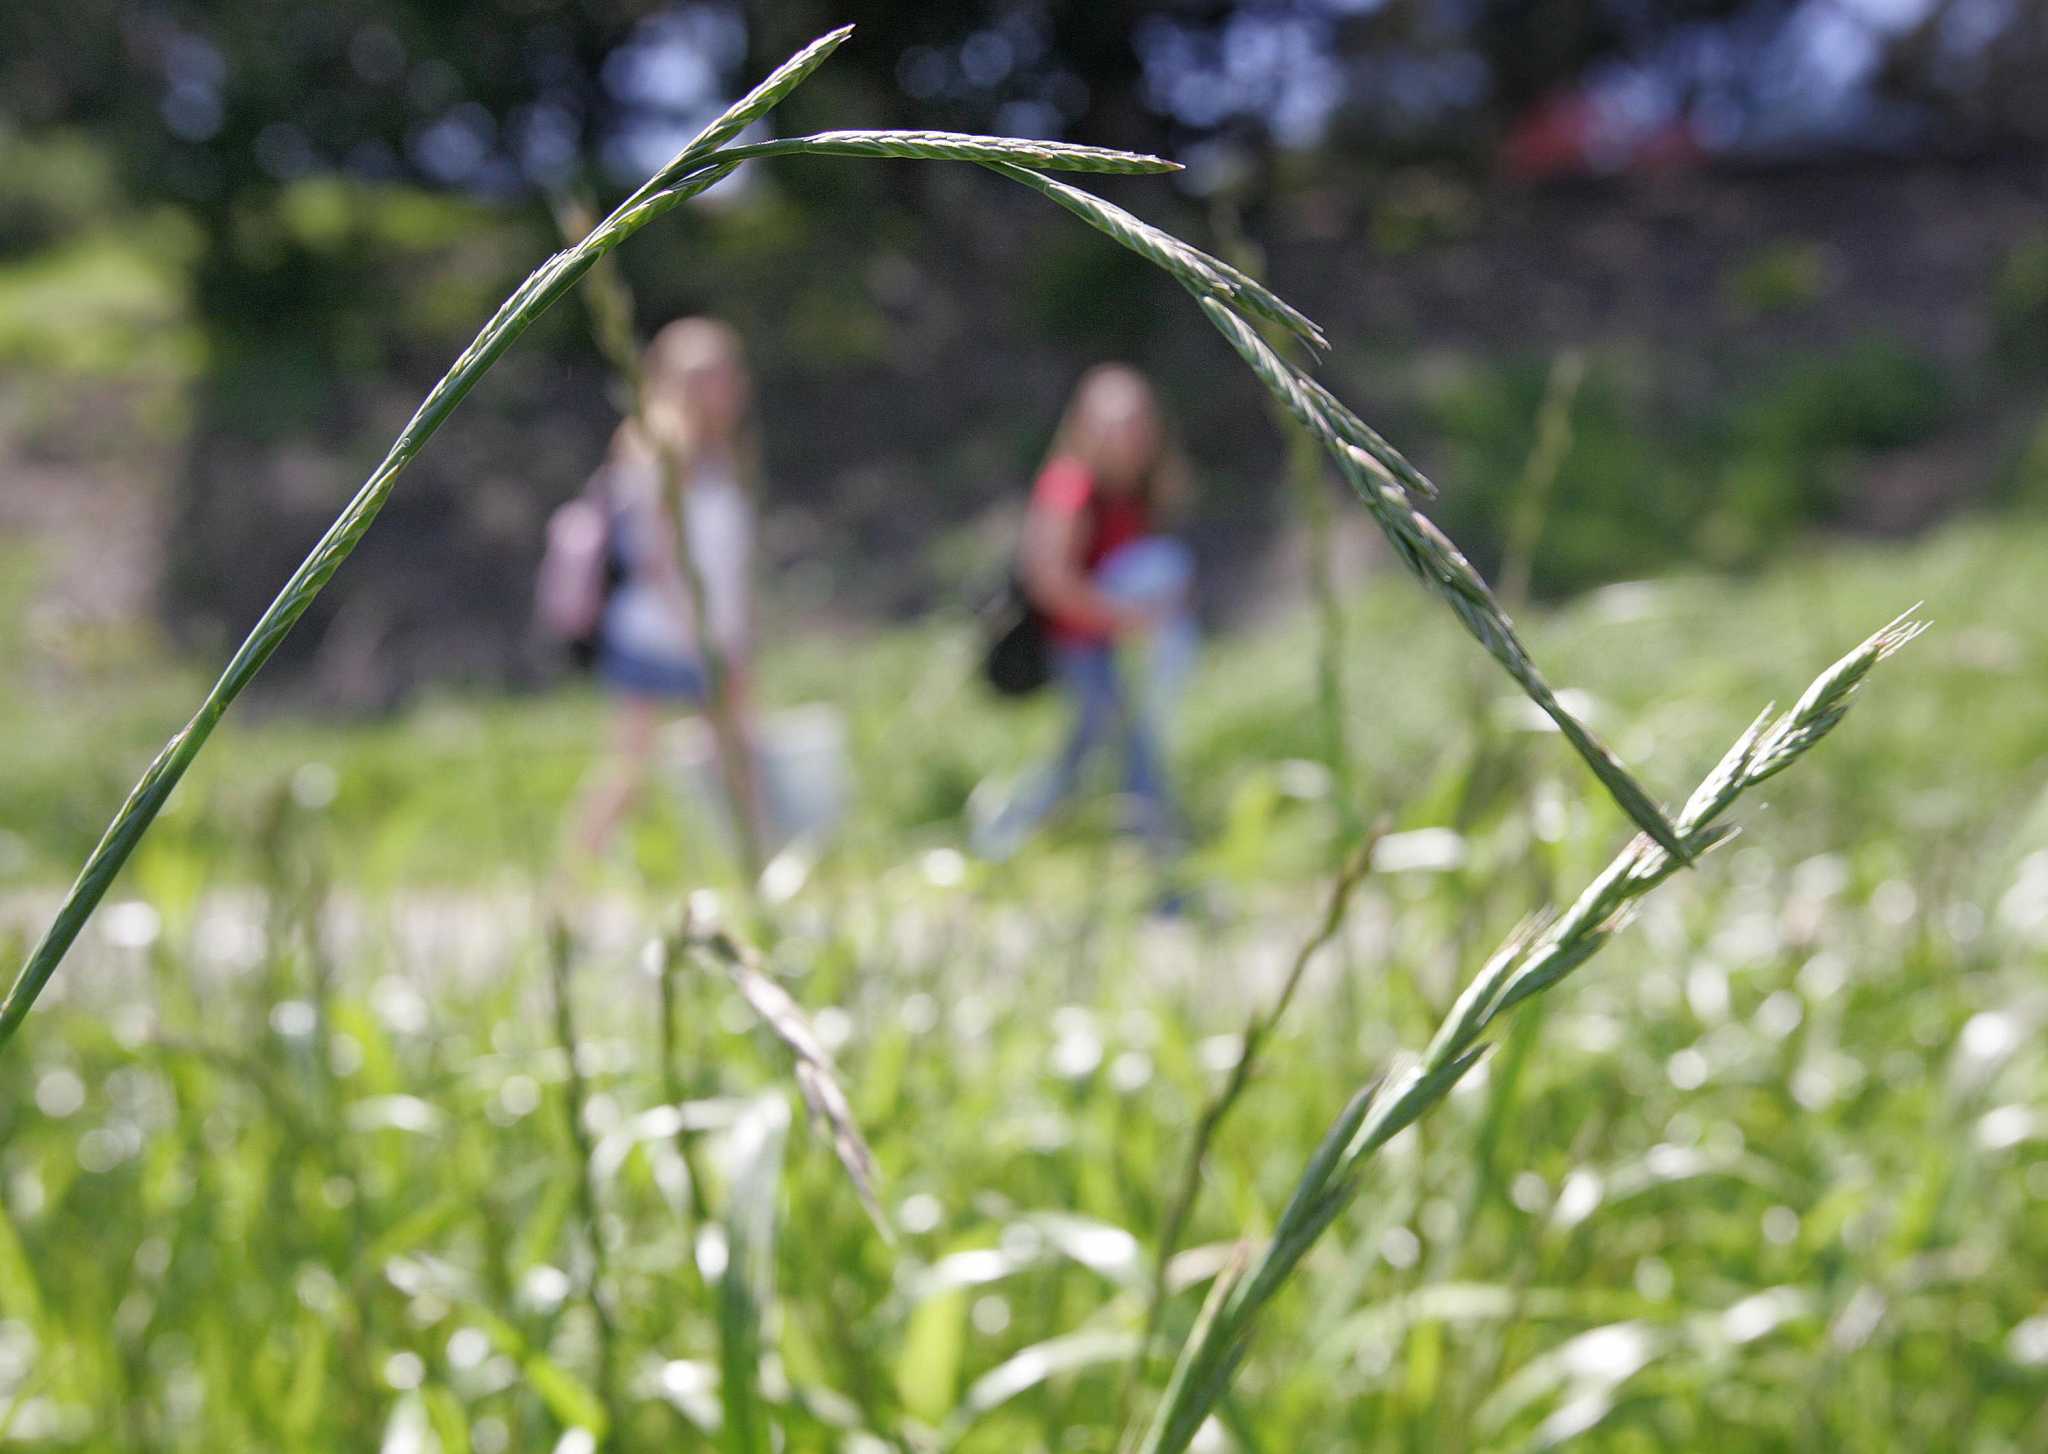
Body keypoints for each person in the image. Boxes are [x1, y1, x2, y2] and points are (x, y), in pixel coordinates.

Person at [973, 363, 1197, 861]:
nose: (1129, 438)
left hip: (1115, 649)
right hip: (1080, 649)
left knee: (1098, 759)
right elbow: (1049, 580)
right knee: (1126, 756)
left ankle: (1005, 836)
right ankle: (1167, 878)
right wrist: (1125, 616)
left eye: (1138, 425)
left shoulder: (1138, 489)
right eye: (1116, 426)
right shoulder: (1070, 487)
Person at [572, 317, 761, 861]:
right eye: (705, 377)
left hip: (714, 633)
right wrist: (703, 634)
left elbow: (730, 559)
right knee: (630, 769)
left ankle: (759, 873)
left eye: (726, 374)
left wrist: (737, 633)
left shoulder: (726, 455)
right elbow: (655, 558)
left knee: (740, 760)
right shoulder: (654, 447)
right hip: (658, 633)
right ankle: (572, 885)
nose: (720, 388)